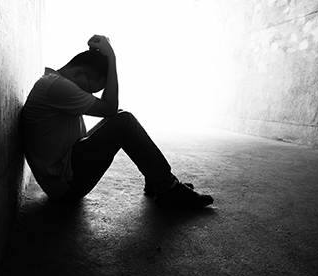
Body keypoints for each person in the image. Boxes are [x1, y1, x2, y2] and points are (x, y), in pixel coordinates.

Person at [21, 35, 213, 208]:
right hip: (67, 184)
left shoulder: (51, 82)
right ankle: (167, 188)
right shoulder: (57, 86)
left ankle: (158, 181)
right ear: (80, 73)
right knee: (123, 120)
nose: (87, 95)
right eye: (89, 90)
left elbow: (110, 112)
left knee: (120, 117)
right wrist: (112, 58)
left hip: (64, 176)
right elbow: (109, 109)